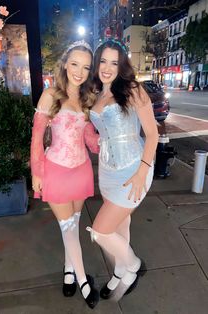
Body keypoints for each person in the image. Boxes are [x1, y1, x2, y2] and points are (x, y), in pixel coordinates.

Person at [86, 39, 159, 300]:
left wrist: (142, 171)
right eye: (103, 61)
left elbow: (152, 134)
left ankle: (133, 266)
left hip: (133, 169)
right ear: (96, 64)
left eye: (114, 62)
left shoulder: (133, 90)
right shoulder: (95, 92)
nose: (107, 67)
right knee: (120, 225)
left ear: (122, 65)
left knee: (101, 231)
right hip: (106, 171)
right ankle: (119, 272)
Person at [30, 40, 100, 309]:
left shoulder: (86, 98)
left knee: (74, 225)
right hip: (56, 170)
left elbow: (88, 136)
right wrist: (36, 172)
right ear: (65, 64)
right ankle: (83, 281)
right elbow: (37, 139)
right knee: (68, 228)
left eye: (85, 67)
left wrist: (105, 144)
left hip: (81, 170)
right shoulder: (50, 95)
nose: (79, 72)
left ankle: (69, 271)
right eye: (74, 64)